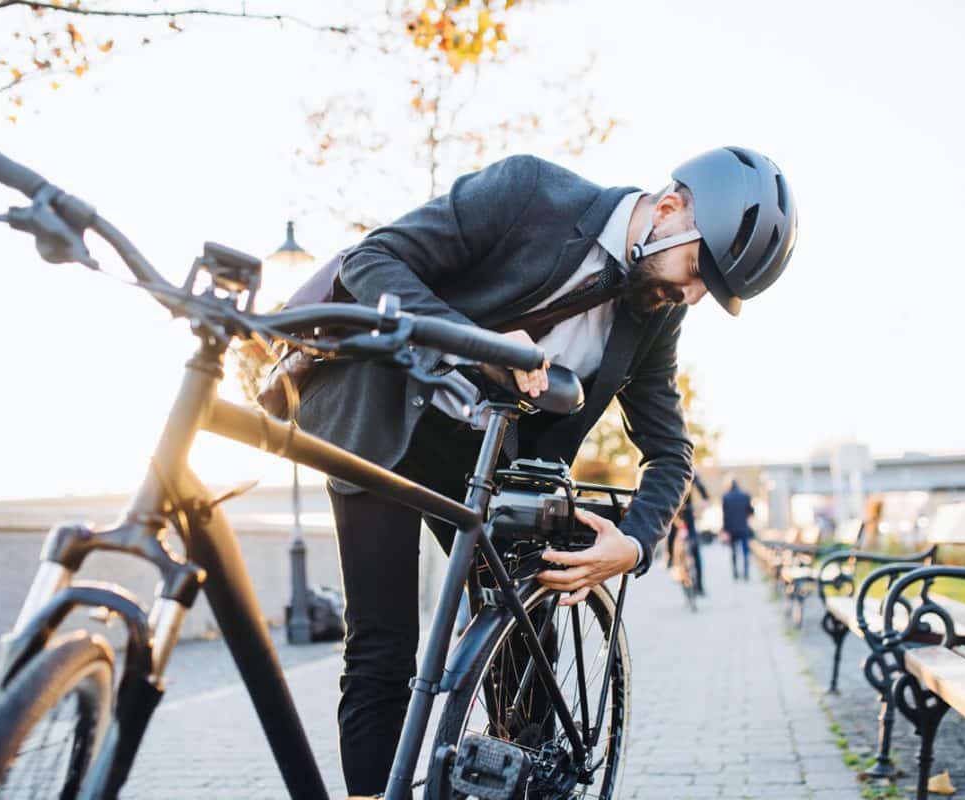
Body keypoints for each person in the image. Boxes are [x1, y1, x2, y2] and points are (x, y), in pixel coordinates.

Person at [292, 149, 797, 795]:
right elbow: (371, 262)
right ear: (668, 211)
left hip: (498, 464)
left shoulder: (656, 314)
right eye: (700, 271)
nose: (693, 297)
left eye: (709, 292)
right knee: (380, 653)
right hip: (385, 417)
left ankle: (520, 778)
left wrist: (636, 542)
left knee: (525, 656)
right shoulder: (529, 192)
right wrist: (484, 348)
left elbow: (669, 450)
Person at [667, 472, 708, 594]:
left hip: (682, 512)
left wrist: (703, 503)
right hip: (675, 513)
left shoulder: (688, 471)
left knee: (693, 546)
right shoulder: (684, 469)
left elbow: (703, 492)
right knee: (673, 538)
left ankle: (699, 584)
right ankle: (672, 563)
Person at [722, 476, 756, 580]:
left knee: (733, 551)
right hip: (743, 527)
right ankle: (746, 573)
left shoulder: (726, 497)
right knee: (745, 551)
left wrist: (725, 530)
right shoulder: (745, 495)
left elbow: (725, 515)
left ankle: (735, 573)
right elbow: (751, 511)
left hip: (732, 529)